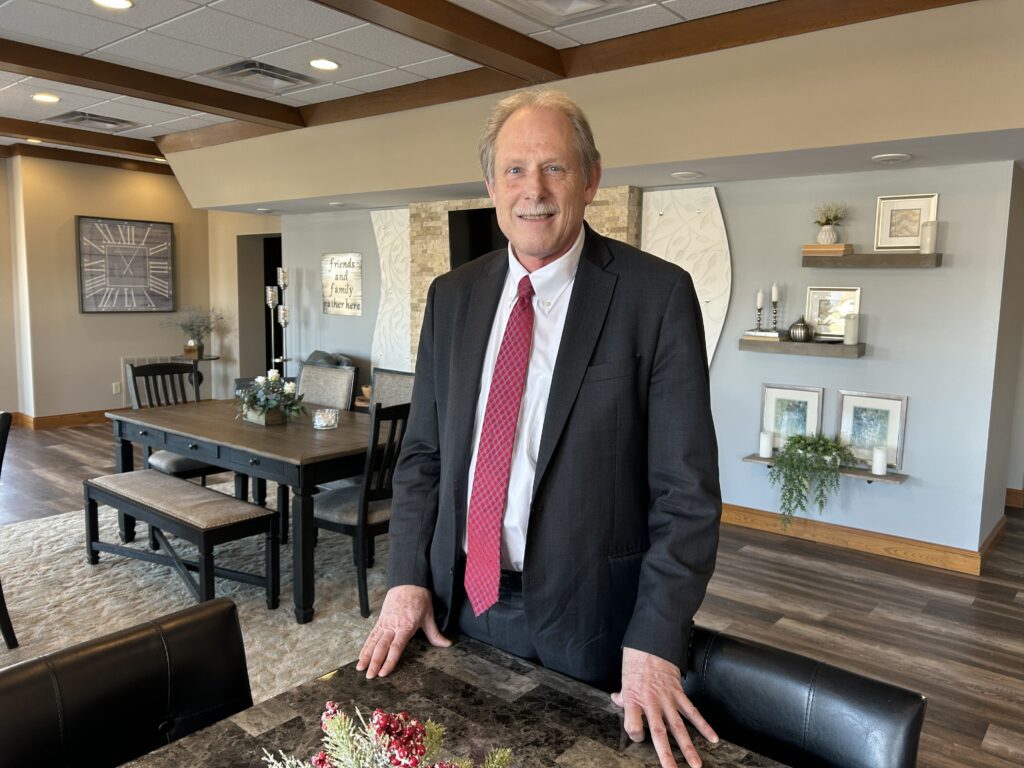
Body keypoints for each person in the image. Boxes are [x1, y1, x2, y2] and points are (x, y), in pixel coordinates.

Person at [357, 89, 722, 768]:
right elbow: (424, 459)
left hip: (594, 624)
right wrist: (407, 576)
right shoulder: (452, 296)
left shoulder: (656, 296)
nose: (535, 191)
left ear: (591, 179)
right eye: (516, 170)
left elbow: (686, 493)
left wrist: (655, 637)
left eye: (554, 168)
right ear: (491, 186)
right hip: (458, 607)